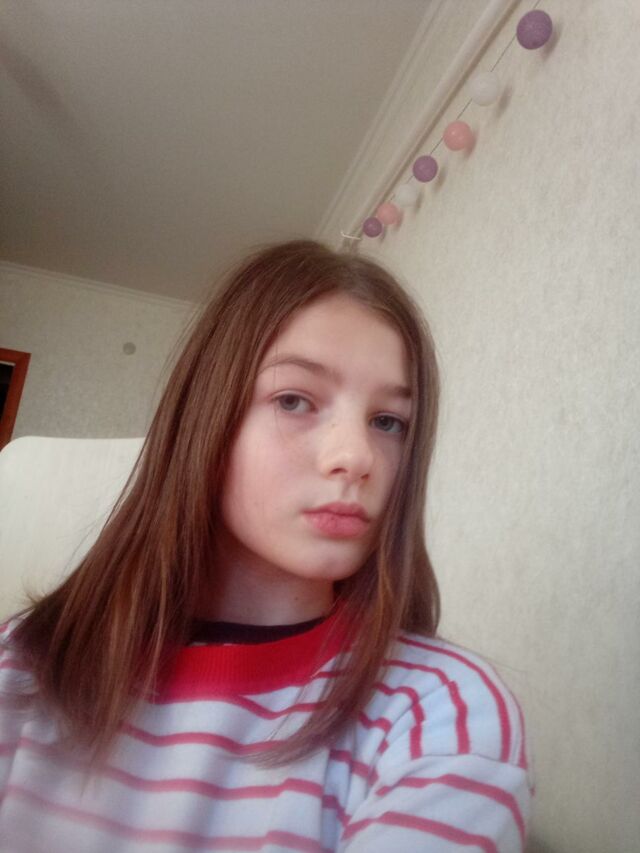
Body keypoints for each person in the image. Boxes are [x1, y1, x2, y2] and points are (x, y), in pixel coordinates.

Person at [0, 239, 533, 851]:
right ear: (206, 419)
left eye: (388, 421)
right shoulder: (22, 667)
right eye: (294, 400)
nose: (357, 456)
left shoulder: (442, 711)